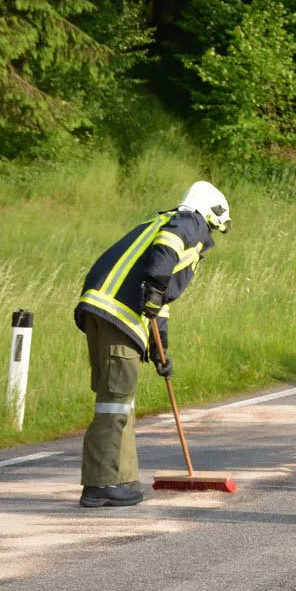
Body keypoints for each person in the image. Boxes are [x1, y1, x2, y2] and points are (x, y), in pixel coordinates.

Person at [73, 182, 231, 507]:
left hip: (100, 312)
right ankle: (101, 485)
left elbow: (159, 302)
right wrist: (157, 287)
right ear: (210, 214)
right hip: (118, 315)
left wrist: (161, 352)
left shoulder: (155, 224)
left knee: (118, 400)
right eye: (215, 228)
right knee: (115, 402)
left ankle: (120, 478)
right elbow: (165, 256)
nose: (209, 239)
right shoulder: (187, 222)